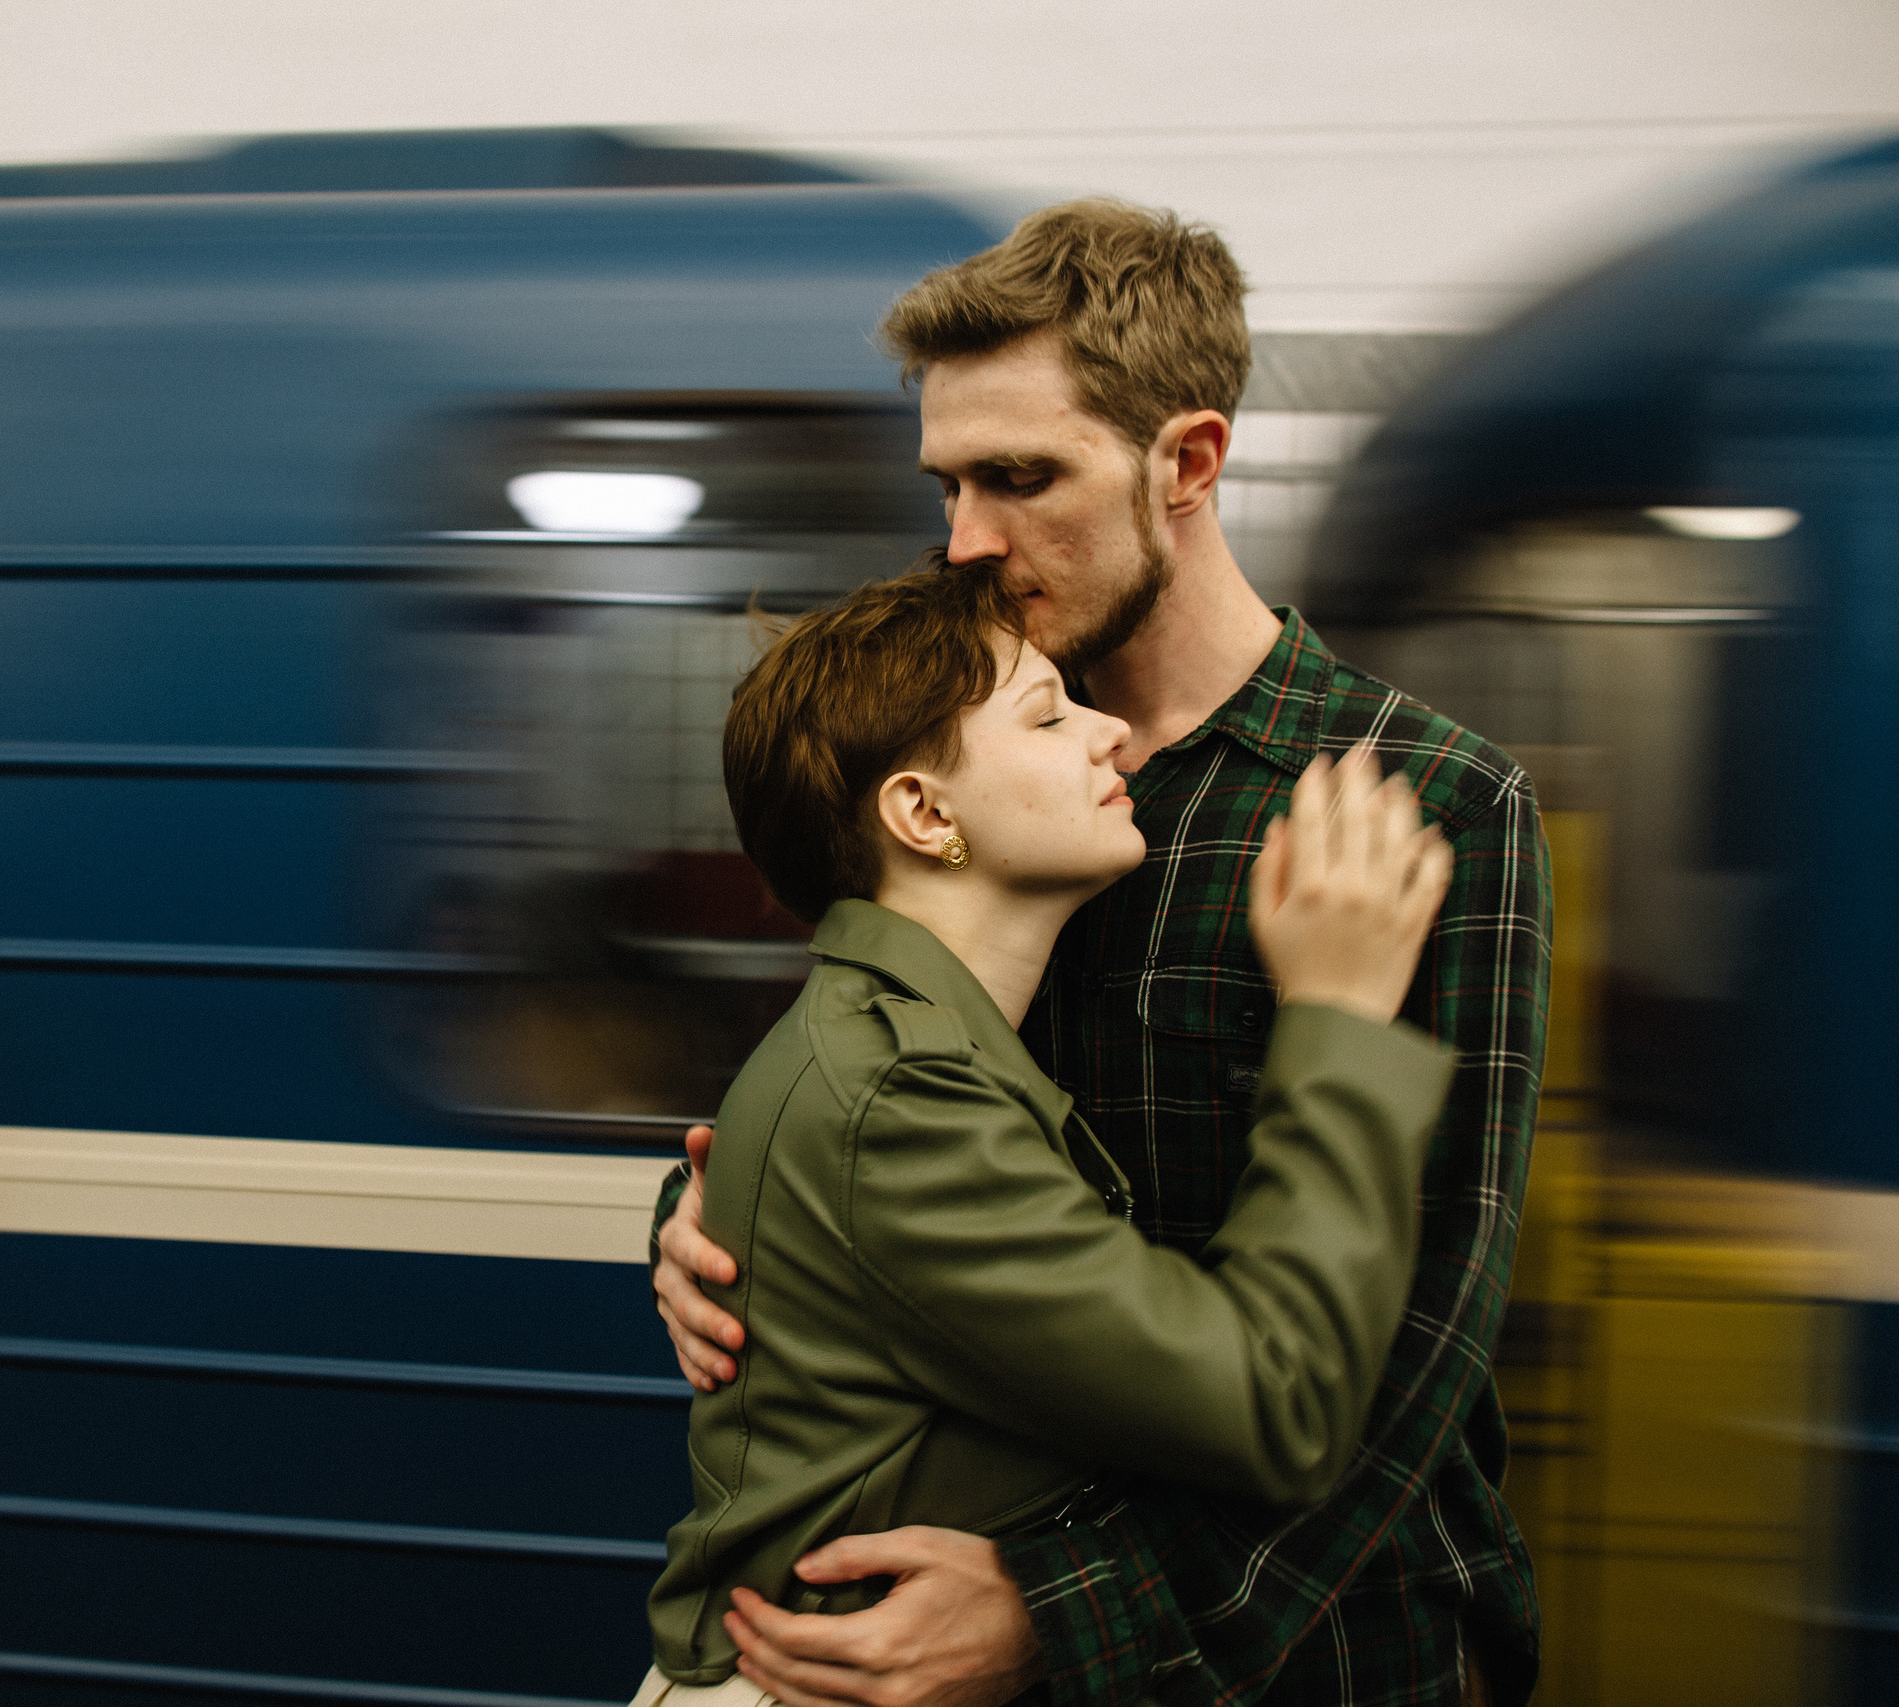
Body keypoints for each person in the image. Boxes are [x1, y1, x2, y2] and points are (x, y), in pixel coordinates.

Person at [652, 201, 1550, 1707]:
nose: (967, 543)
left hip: (1321, 1653)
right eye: (947, 482)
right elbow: (854, 1053)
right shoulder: (970, 752)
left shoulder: (1420, 798)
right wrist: (708, 1220)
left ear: (1187, 462)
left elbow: (1420, 1345)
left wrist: (1061, 1614)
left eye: (1022, 477)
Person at [637, 559, 1456, 1707]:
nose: (1112, 735)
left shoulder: (906, 1048)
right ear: (923, 814)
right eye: (1047, 712)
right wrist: (1334, 1016)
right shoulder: (904, 1097)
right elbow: (1280, 1407)